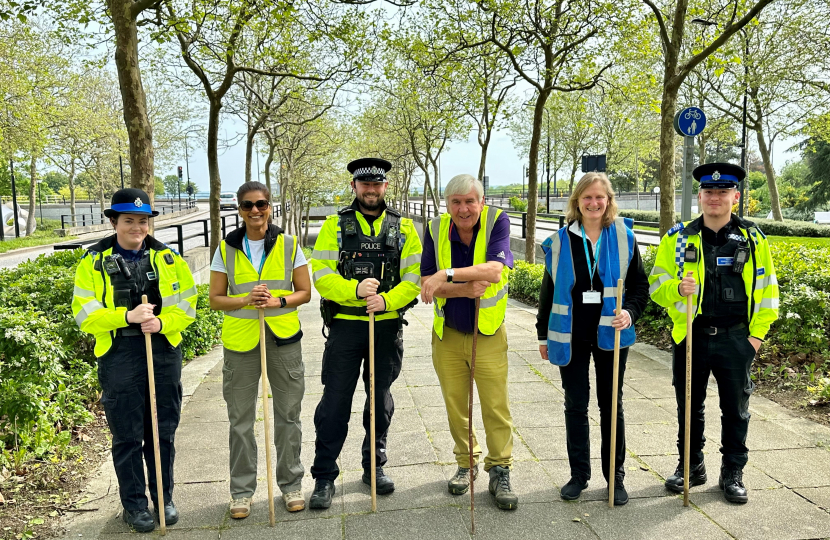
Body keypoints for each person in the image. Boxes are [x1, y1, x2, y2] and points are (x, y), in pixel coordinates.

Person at [650, 163, 779, 504]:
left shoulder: (753, 239)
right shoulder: (678, 238)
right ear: (700, 197)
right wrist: (677, 288)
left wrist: (756, 337)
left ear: (735, 197)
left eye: (723, 192)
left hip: (737, 337)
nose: (715, 198)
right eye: (708, 192)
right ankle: (691, 466)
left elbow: (767, 290)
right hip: (691, 335)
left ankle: (732, 472)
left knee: (735, 409)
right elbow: (655, 286)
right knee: (689, 406)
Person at [72, 188, 197, 533]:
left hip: (163, 353)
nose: (137, 228)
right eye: (129, 221)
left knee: (163, 432)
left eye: (143, 221)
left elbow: (188, 306)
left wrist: (162, 322)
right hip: (119, 356)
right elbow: (84, 315)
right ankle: (134, 506)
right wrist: (126, 317)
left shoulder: (170, 259)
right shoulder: (92, 262)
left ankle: (163, 498)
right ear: (114, 222)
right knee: (127, 435)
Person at [308, 157, 422, 509]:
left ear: (386, 187)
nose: (371, 189)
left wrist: (387, 300)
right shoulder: (334, 226)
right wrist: (355, 291)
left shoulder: (404, 229)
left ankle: (375, 466)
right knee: (334, 403)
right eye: (364, 184)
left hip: (385, 328)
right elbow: (321, 274)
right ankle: (324, 476)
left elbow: (414, 278)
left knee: (380, 400)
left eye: (377, 184)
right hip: (345, 327)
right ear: (354, 187)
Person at [536, 173, 649, 505]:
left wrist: (630, 311)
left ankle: (615, 478)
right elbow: (548, 292)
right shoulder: (559, 241)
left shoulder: (625, 237)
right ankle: (579, 475)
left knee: (611, 406)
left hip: (611, 333)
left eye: (600, 197)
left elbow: (640, 287)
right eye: (587, 197)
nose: (594, 203)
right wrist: (543, 335)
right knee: (575, 405)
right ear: (577, 202)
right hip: (570, 335)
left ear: (609, 200)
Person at [208, 181, 312, 517]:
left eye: (262, 204)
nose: (255, 211)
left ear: (270, 206)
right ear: (239, 209)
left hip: (283, 339)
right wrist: (245, 300)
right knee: (240, 420)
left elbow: (304, 292)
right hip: (241, 342)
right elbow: (215, 299)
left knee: (288, 416)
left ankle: (291, 485)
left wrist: (278, 299)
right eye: (248, 205)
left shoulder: (289, 244)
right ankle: (241, 492)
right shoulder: (225, 249)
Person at [420, 174, 518, 510]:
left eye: (469, 201)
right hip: (448, 333)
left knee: (495, 406)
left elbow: (493, 271)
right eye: (456, 202)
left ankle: (500, 467)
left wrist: (446, 275)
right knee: (456, 407)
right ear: (447, 205)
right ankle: (466, 463)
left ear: (481, 201)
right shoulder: (435, 229)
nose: (464, 209)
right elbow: (425, 287)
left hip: (487, 333)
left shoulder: (496, 221)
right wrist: (461, 287)